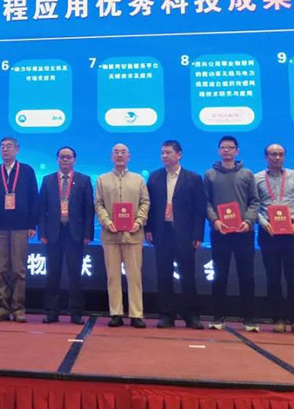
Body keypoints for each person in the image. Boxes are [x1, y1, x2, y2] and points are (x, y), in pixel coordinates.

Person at [145, 140, 206, 329]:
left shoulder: (193, 178)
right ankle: (166, 315)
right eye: (162, 152)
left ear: (179, 155)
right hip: (162, 232)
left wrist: (198, 235)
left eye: (168, 152)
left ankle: (191, 315)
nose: (164, 156)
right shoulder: (154, 177)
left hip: (185, 234)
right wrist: (148, 229)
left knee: (187, 275)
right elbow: (149, 206)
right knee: (163, 275)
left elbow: (199, 210)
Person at [204, 135, 259, 332]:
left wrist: (248, 221)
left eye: (230, 147)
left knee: (247, 276)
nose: (226, 150)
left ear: (237, 151)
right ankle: (218, 317)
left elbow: (255, 201)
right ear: (218, 151)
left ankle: (249, 319)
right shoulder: (210, 175)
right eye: (223, 147)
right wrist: (215, 220)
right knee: (220, 276)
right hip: (220, 233)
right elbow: (206, 202)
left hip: (244, 232)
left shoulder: (247, 174)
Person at [0, 137, 38, 322]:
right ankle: (3, 308)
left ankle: (18, 309)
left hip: (21, 226)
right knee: (1, 269)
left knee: (19, 270)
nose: (5, 150)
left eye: (9, 146)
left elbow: (33, 199)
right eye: (2, 147)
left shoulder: (27, 171)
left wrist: (32, 224)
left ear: (17, 149)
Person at [95, 143, 150, 328]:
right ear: (111, 157)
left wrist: (138, 222)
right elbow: (98, 204)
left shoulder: (138, 179)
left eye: (123, 152)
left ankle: (136, 314)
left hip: (133, 234)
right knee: (113, 276)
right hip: (110, 235)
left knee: (134, 276)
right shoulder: (102, 179)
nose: (119, 155)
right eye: (116, 152)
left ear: (129, 157)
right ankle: (116, 313)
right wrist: (107, 222)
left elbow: (145, 202)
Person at [254, 143, 294, 334]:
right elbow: (254, 206)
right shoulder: (257, 178)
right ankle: (277, 319)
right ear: (266, 157)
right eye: (273, 154)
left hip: (292, 231)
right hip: (269, 231)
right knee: (273, 277)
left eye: (280, 154)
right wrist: (262, 222)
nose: (277, 157)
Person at [38, 146, 94, 325]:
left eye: (68, 157)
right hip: (53, 233)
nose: (65, 160)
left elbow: (89, 210)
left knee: (75, 274)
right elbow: (42, 209)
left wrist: (88, 233)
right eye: (62, 157)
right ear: (57, 159)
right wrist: (42, 232)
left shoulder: (84, 180)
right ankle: (52, 311)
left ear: (74, 160)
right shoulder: (48, 180)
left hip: (74, 233)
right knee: (52, 274)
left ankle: (76, 312)